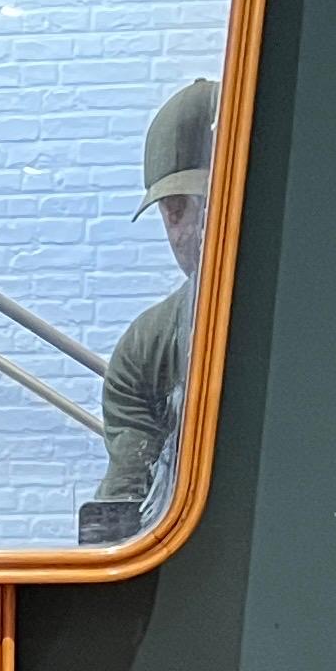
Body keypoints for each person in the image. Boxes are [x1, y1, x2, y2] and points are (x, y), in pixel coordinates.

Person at [74, 77, 215, 544]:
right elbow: (126, 494)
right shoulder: (146, 348)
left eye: (206, 203)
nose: (190, 228)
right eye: (174, 209)